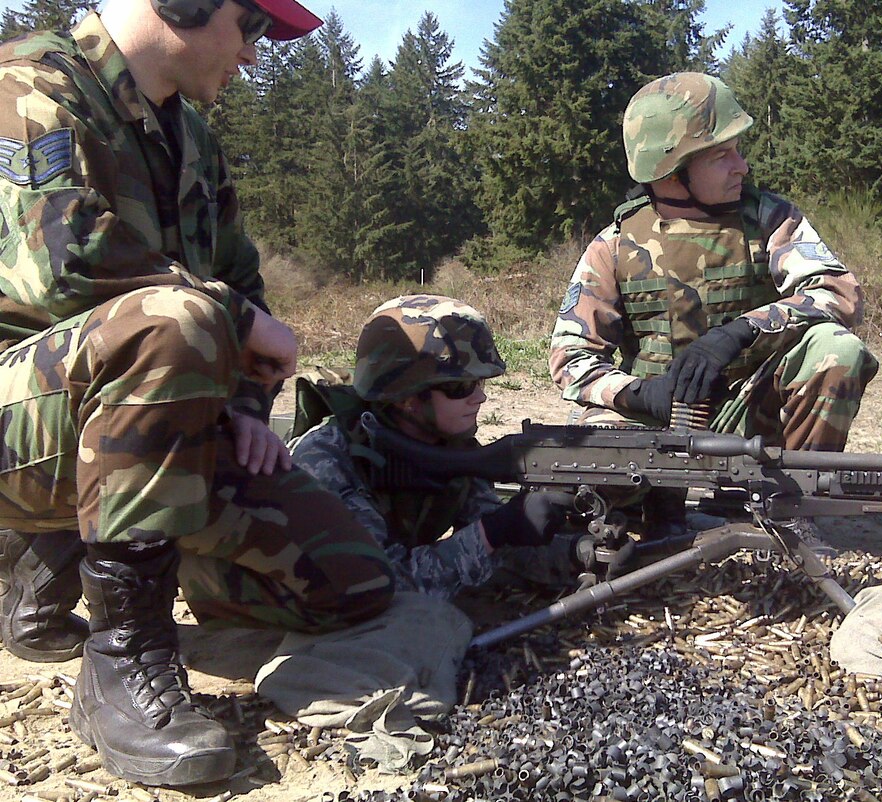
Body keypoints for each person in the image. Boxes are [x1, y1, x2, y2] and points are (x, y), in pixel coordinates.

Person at [0, 0, 396, 787]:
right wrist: (232, 316)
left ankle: (56, 559)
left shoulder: (194, 140)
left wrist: (247, 413)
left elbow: (243, 281)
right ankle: (123, 658)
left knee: (349, 580)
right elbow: (60, 261)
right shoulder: (29, 84)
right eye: (250, 28)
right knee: (178, 317)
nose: (253, 56)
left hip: (143, 426)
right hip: (21, 424)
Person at [550, 72, 879, 548]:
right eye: (722, 154)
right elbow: (570, 358)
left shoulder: (769, 220)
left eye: (739, 150)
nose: (741, 166)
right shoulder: (615, 244)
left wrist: (744, 331)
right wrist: (639, 394)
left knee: (837, 350)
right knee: (588, 472)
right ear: (672, 167)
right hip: (656, 419)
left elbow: (836, 292)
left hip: (749, 413)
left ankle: (789, 509)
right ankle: (650, 511)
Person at [290, 294, 577, 600]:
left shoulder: (448, 446)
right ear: (406, 397)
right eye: (460, 387)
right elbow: (383, 587)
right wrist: (495, 530)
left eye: (480, 384)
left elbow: (497, 549)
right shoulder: (326, 461)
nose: (479, 398)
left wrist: (575, 555)